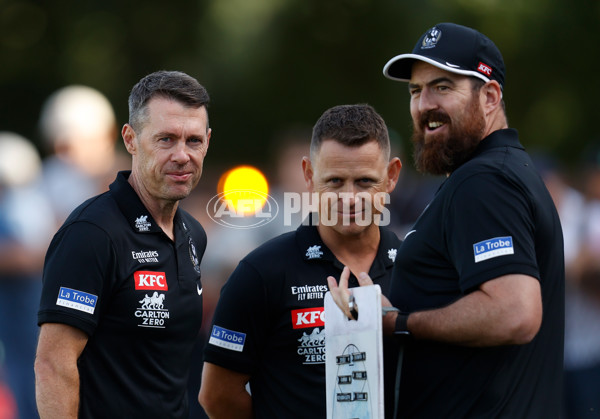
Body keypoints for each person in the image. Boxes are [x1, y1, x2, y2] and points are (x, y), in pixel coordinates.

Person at [328, 23, 565, 418]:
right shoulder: (501, 171)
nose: (423, 106)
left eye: (442, 87)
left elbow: (516, 313)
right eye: (415, 91)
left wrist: (399, 321)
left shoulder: (485, 181)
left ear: (489, 97)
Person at [199, 104, 403, 418]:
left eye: (364, 182)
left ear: (391, 176)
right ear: (308, 175)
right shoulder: (261, 273)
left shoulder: (416, 267)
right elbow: (217, 396)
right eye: (334, 181)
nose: (349, 198)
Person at [34, 70, 211, 418]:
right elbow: (53, 365)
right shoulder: (92, 233)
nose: (181, 155)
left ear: (208, 141)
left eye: (193, 141)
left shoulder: (192, 234)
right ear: (130, 140)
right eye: (165, 139)